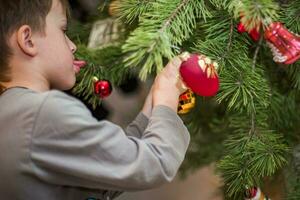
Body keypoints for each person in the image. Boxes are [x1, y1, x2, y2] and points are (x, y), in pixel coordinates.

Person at [0, 0, 190, 199]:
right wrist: (167, 102)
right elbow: (154, 164)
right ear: (28, 39)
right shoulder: (43, 112)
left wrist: (154, 103)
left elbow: (106, 169)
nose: (73, 46)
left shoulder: (13, 116)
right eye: (63, 30)